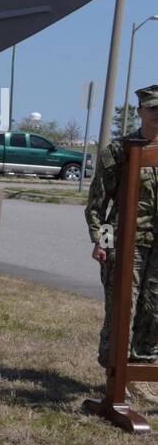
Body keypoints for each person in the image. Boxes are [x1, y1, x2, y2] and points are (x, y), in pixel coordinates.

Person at [86, 84, 158, 397]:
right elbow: (98, 203)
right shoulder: (120, 149)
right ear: (140, 111)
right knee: (122, 308)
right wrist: (101, 240)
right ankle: (115, 372)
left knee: (154, 308)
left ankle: (142, 368)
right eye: (153, 109)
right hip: (126, 242)